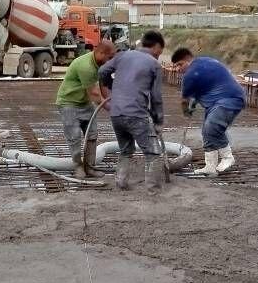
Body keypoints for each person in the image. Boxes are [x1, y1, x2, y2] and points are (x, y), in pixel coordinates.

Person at [98, 30, 165, 193]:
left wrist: (113, 87)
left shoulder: (123, 56)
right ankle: (153, 190)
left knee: (126, 150)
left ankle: (121, 183)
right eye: (160, 52)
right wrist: (158, 121)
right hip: (136, 114)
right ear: (156, 46)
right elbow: (156, 97)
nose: (159, 56)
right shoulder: (154, 64)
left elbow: (102, 72)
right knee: (153, 153)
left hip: (116, 113)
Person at [170, 48, 246, 176]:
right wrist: (194, 102)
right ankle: (210, 166)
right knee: (208, 130)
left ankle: (228, 158)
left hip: (228, 99)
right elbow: (206, 84)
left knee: (212, 128)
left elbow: (184, 100)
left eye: (180, 64)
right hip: (222, 100)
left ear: (188, 60)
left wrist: (187, 111)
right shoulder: (207, 61)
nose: (178, 69)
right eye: (175, 66)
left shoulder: (189, 75)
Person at [55, 42, 116, 178]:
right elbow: (95, 94)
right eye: (110, 58)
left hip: (84, 103)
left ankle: (90, 168)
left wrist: (113, 103)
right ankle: (78, 166)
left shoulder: (101, 65)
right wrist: (113, 110)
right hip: (68, 103)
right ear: (100, 53)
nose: (112, 61)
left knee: (92, 134)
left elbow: (103, 86)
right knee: (74, 136)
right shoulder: (86, 66)